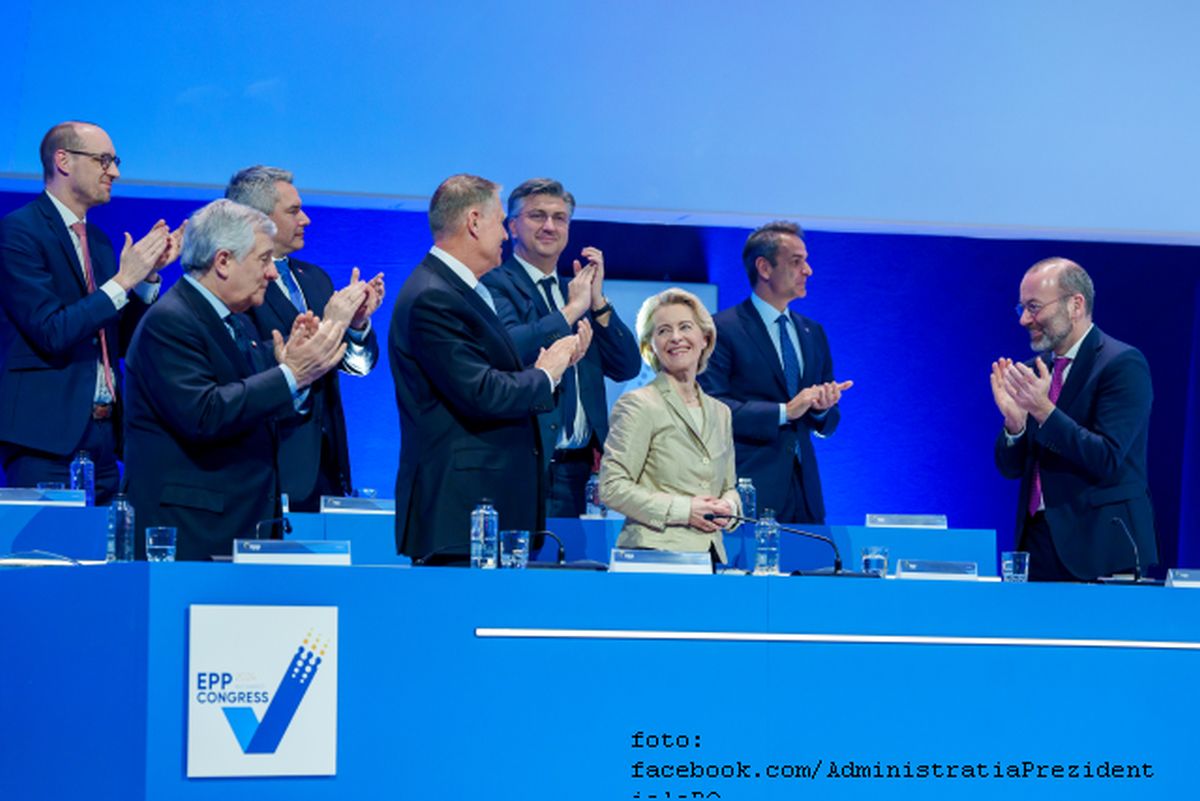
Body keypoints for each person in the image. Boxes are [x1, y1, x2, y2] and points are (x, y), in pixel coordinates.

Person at [122, 199, 347, 560]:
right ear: (223, 261)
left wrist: (291, 374)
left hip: (241, 530)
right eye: (263, 260)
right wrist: (292, 374)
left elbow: (255, 408)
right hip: (194, 536)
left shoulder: (237, 320)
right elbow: (205, 414)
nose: (272, 274)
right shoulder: (171, 322)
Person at [389, 174, 590, 565]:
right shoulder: (434, 295)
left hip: (483, 509)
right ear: (474, 221)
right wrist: (546, 373)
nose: (504, 234)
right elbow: (481, 392)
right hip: (460, 511)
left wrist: (559, 365)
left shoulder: (460, 290)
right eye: (501, 222)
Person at [0, 121, 183, 503]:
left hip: (102, 436)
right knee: (47, 557)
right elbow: (52, 330)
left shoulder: (97, 240)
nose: (114, 171)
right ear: (63, 161)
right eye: (103, 160)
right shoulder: (19, 233)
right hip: (45, 439)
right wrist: (121, 281)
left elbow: (117, 341)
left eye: (114, 161)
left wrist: (146, 279)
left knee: (105, 557)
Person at [226, 166, 384, 511]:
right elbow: (243, 362)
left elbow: (357, 366)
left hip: (327, 468)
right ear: (258, 217)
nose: (307, 220)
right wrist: (332, 323)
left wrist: (355, 326)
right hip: (270, 464)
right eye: (294, 211)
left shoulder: (315, 279)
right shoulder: (237, 284)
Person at [481, 178, 641, 516]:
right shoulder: (495, 284)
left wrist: (597, 302)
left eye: (560, 218)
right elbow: (510, 349)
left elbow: (627, 365)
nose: (550, 226)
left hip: (580, 472)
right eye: (537, 216)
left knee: (576, 566)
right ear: (512, 227)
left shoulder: (578, 291)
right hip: (525, 465)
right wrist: (571, 311)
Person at [991, 257, 1156, 581]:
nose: (1025, 319)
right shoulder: (1038, 372)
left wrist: (1043, 411)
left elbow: (1106, 457)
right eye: (1021, 308)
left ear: (1075, 305)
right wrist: (1015, 425)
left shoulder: (1122, 365)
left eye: (1034, 307)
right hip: (1037, 544)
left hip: (1101, 547)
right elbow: (1011, 469)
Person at [699, 221, 852, 524]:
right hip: (747, 487)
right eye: (796, 262)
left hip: (805, 492)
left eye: (806, 261)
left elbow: (828, 421)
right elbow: (713, 407)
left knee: (811, 568)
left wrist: (822, 409)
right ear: (764, 268)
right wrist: (784, 411)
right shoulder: (723, 329)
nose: (807, 270)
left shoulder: (813, 332)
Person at [600, 288, 740, 565]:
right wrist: (685, 510)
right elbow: (612, 486)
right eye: (663, 331)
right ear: (650, 345)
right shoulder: (638, 404)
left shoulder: (720, 412)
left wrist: (730, 506)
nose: (676, 338)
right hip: (653, 556)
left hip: (709, 558)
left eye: (685, 327)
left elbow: (729, 486)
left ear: (705, 338)